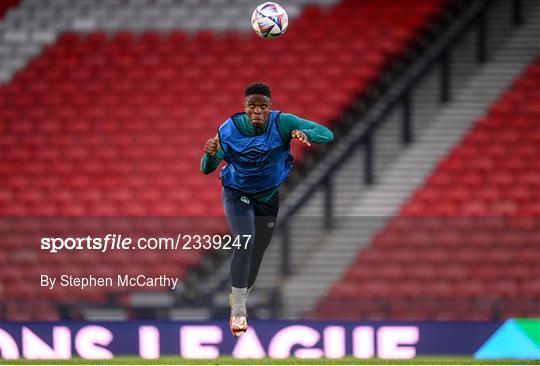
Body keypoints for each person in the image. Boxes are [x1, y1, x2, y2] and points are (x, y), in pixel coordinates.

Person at [200, 82, 334, 336]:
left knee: (258, 251)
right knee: (245, 240)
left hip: (268, 197)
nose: (257, 111)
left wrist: (303, 133)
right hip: (236, 193)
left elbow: (327, 135)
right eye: (252, 106)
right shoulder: (227, 131)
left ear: (270, 107)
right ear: (245, 108)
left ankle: (238, 296)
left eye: (263, 106)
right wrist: (209, 155)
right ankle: (238, 309)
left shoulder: (283, 123)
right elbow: (207, 168)